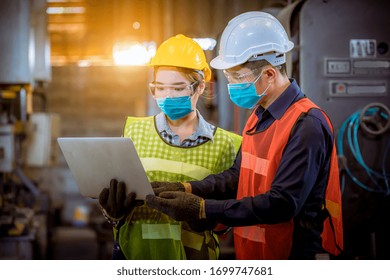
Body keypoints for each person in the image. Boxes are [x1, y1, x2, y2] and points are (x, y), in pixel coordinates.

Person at [145, 11, 344, 260]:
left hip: (294, 255)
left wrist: (204, 209)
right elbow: (238, 175)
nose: (232, 85)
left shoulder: (307, 124)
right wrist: (187, 188)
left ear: (270, 74)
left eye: (238, 77)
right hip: (255, 254)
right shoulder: (259, 115)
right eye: (229, 78)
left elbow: (282, 203)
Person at [98, 34, 242, 260]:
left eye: (177, 88)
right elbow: (119, 201)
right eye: (160, 88)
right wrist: (113, 213)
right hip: (134, 257)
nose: (167, 95)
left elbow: (227, 221)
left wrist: (202, 215)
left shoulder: (227, 145)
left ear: (200, 87)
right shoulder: (134, 132)